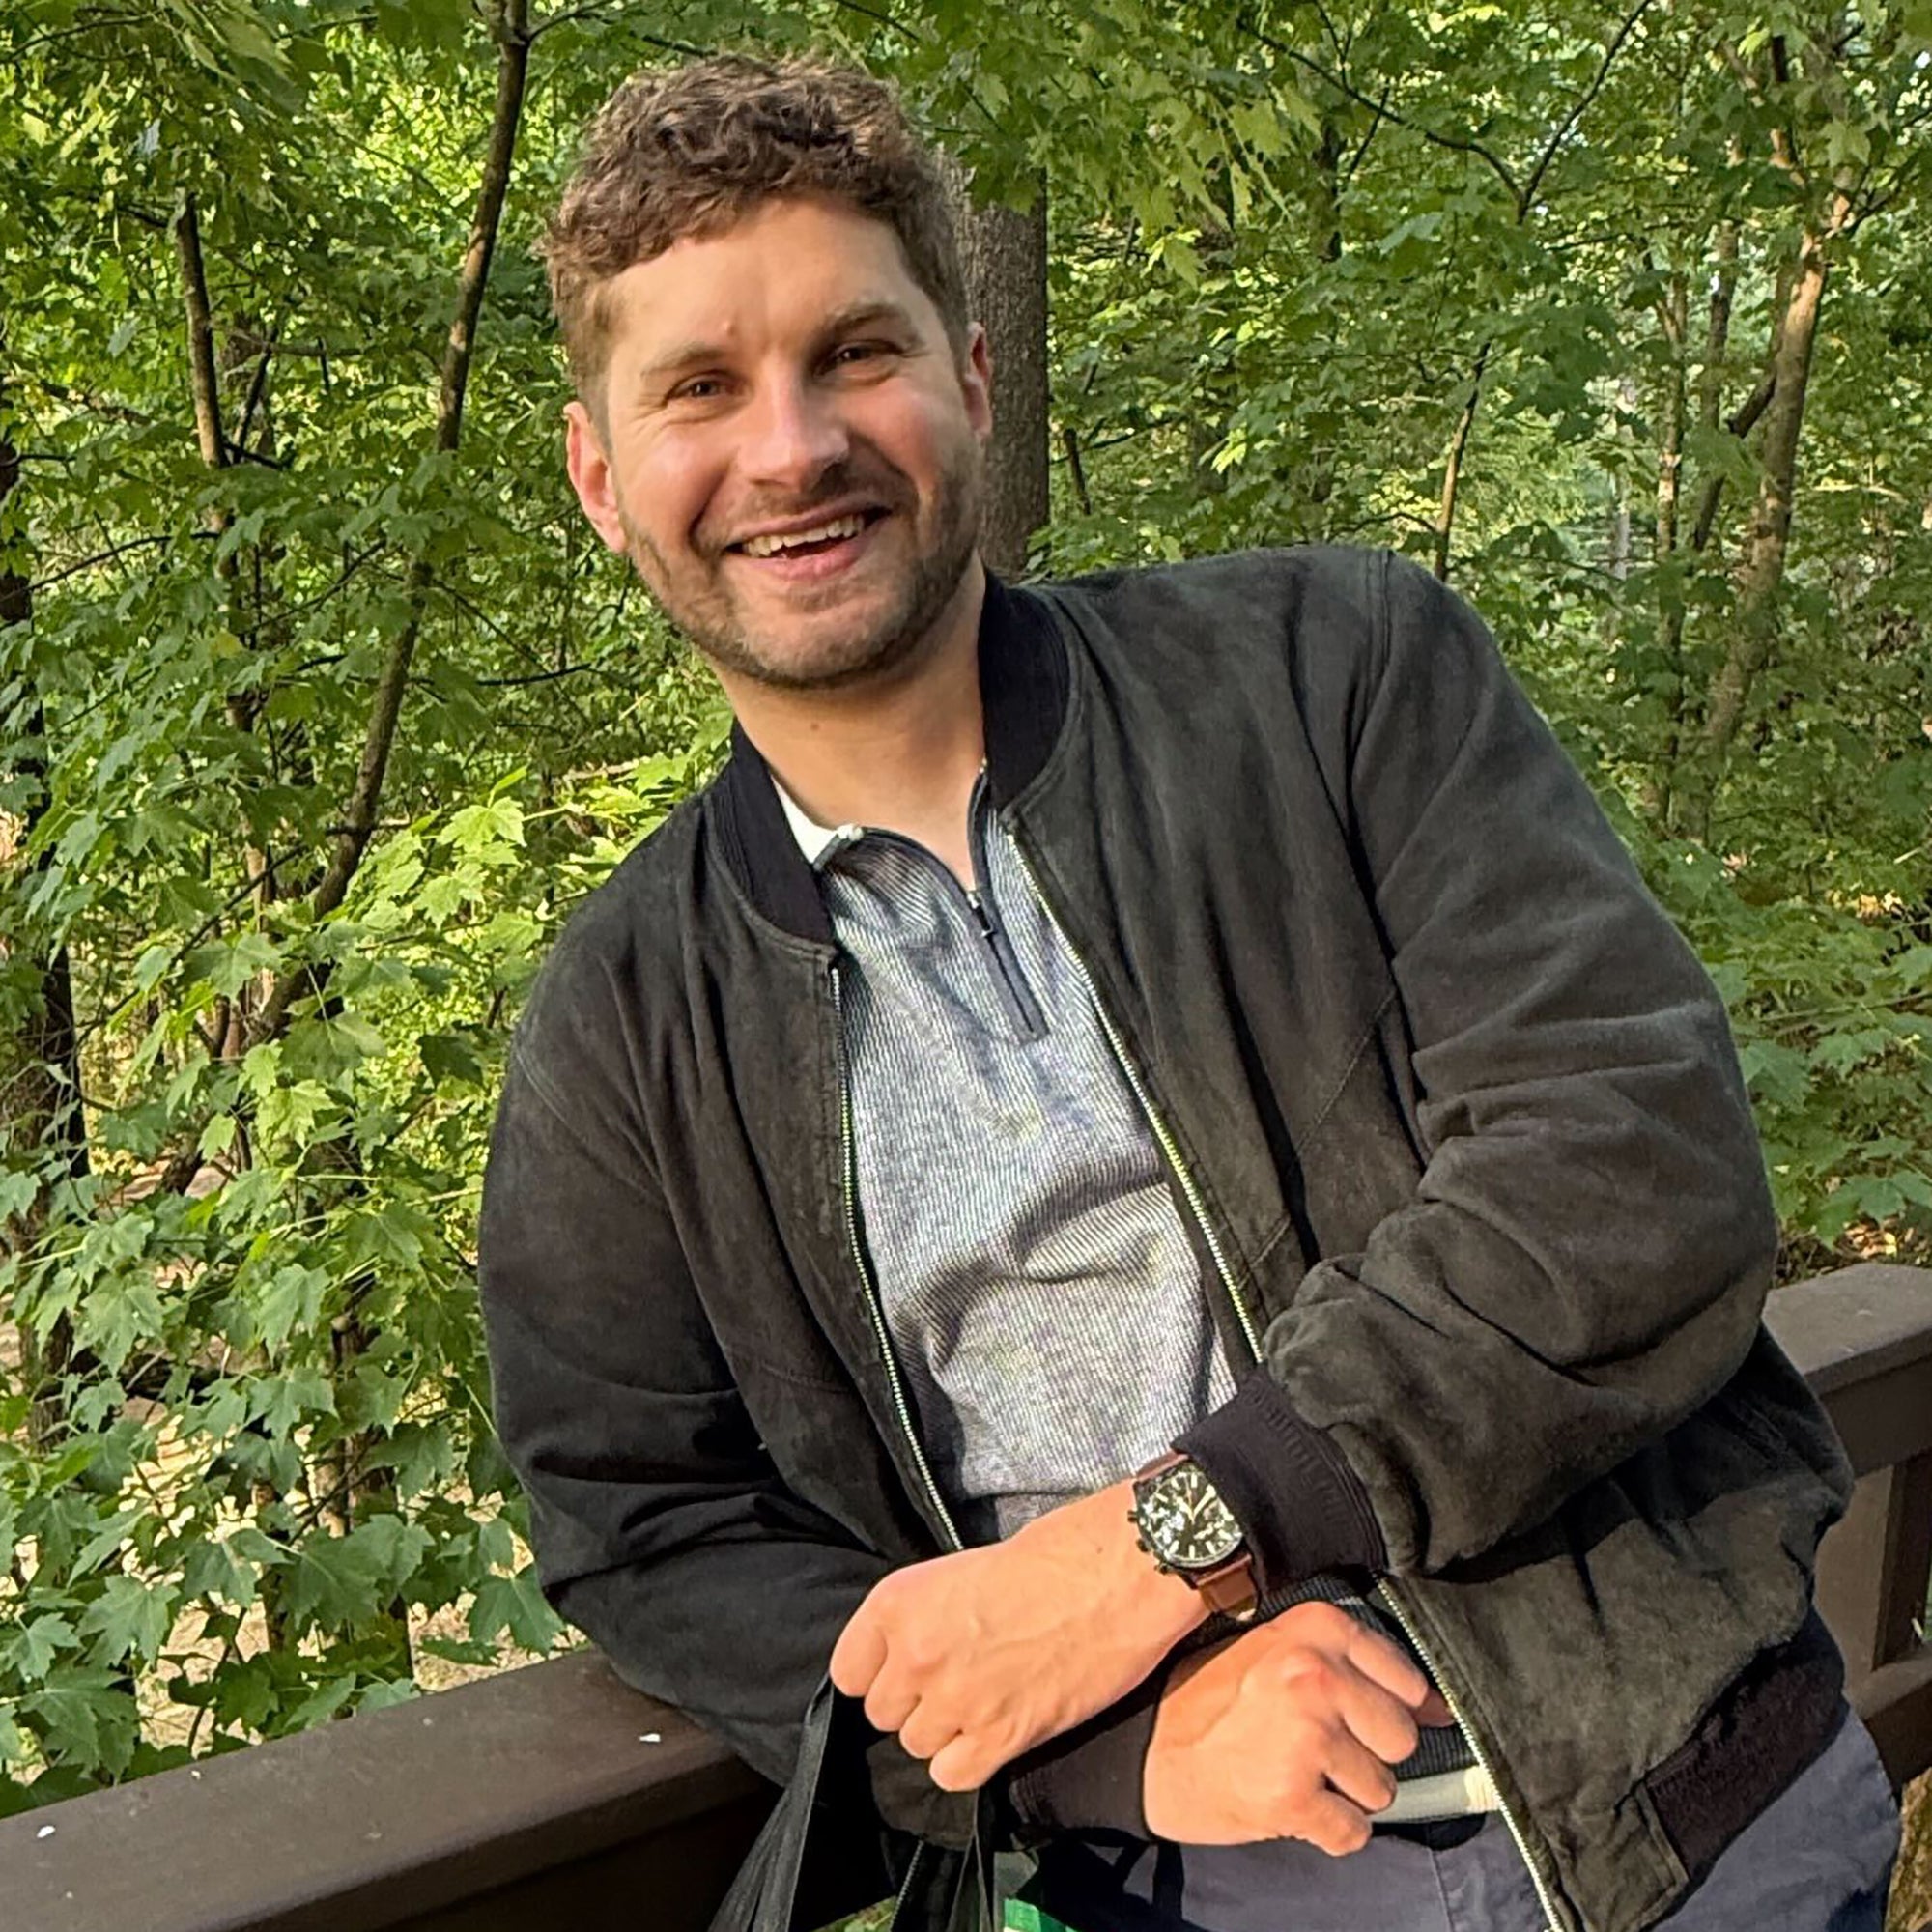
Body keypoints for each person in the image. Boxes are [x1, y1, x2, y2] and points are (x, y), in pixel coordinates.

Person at [476, 52, 1902, 1932]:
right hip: (1178, 1891)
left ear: (971, 380)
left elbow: (1627, 1160)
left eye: (854, 352)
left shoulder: (1332, 675)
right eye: (698, 390)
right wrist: (1091, 1747)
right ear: (602, 478)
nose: (790, 444)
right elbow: (640, 1524)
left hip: (1693, 1824)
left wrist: (1177, 1539)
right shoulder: (621, 1022)